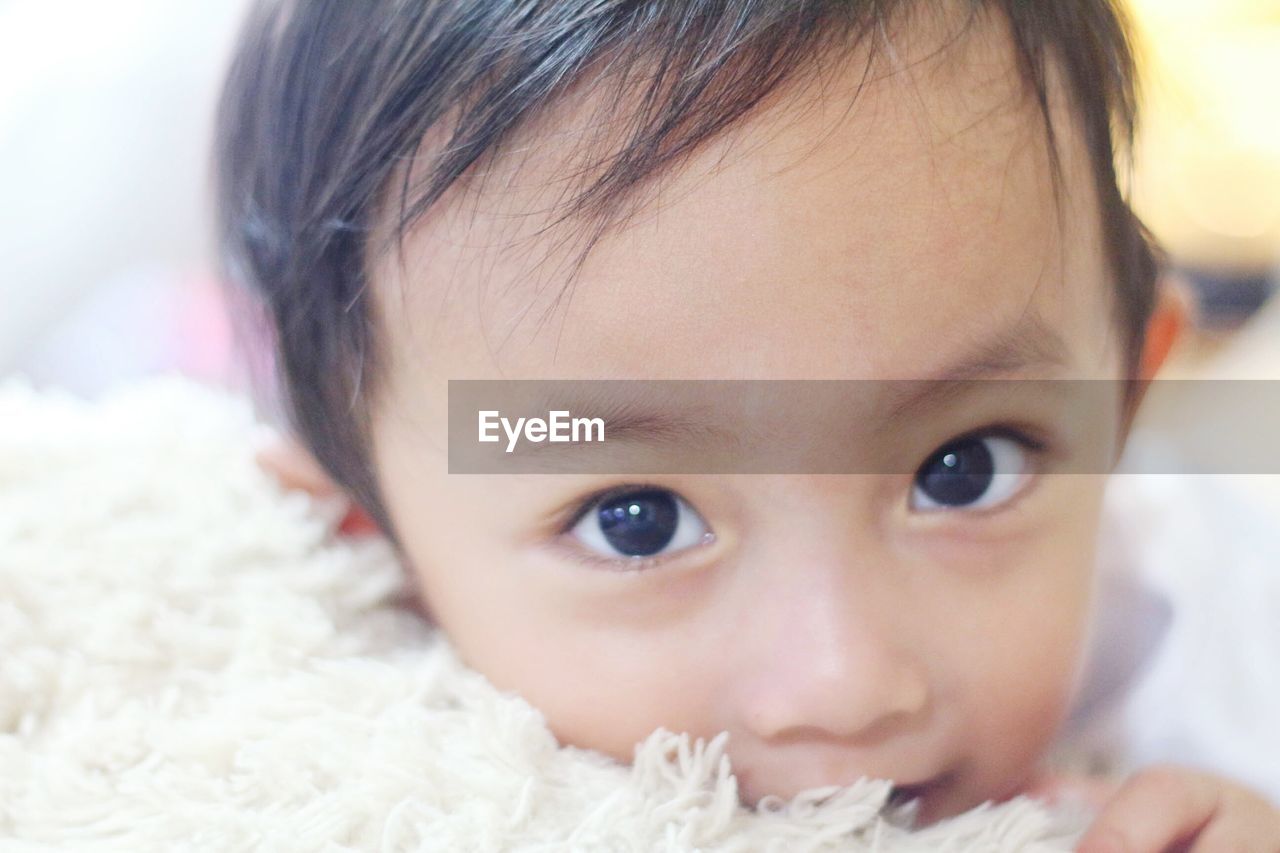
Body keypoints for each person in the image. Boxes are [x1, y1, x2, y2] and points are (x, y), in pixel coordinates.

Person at [216, 1, 1280, 848]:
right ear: (364, 522)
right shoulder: (339, 763)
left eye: (963, 469)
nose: (845, 683)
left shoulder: (1224, 650)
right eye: (635, 519)